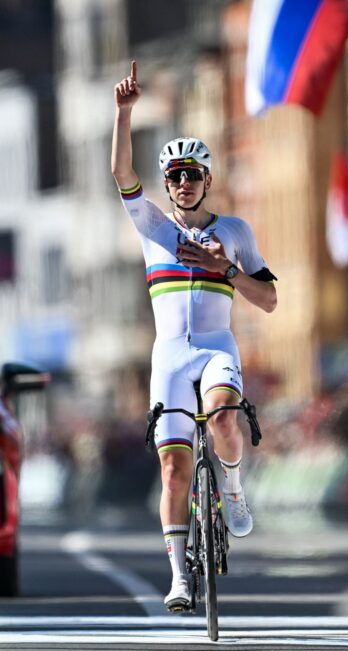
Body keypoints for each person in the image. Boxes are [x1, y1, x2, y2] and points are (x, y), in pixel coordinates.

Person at [111, 61, 278, 612]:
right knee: (174, 468)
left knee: (226, 418)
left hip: (214, 348)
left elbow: (270, 299)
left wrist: (225, 269)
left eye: (193, 174)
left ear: (208, 180)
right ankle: (180, 577)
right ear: (167, 184)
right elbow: (120, 175)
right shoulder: (153, 228)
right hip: (168, 358)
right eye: (175, 175)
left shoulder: (233, 232)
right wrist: (124, 113)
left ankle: (231, 485)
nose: (184, 182)